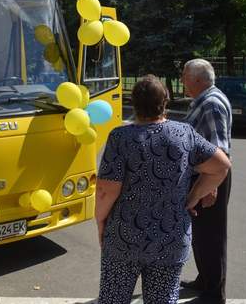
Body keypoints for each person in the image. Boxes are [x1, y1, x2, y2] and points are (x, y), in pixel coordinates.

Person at [96, 75, 231, 304]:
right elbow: (221, 166)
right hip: (170, 237)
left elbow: (107, 190)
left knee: (113, 299)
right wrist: (192, 198)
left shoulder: (119, 137)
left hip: (123, 237)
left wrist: (100, 221)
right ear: (165, 102)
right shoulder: (183, 133)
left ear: (134, 102)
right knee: (162, 299)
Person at [180, 59, 233, 303]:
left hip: (210, 177)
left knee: (211, 236)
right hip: (206, 176)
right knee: (201, 234)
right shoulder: (206, 98)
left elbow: (219, 150)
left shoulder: (211, 104)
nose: (182, 81)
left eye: (185, 77)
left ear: (198, 80)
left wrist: (210, 187)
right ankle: (205, 280)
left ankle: (214, 294)